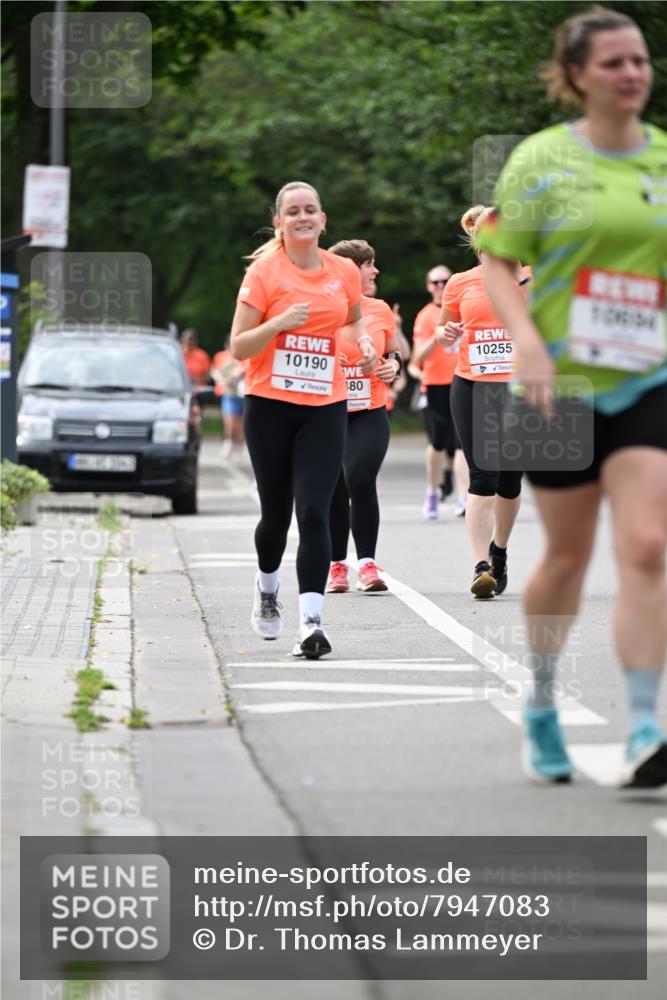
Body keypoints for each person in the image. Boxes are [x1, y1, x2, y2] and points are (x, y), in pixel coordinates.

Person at [478, 6, 667, 787]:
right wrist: (525, 342)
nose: (631, 74)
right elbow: (496, 261)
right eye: (614, 63)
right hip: (558, 385)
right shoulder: (538, 160)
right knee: (564, 556)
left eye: (640, 61)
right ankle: (543, 703)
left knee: (649, 547)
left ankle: (645, 726)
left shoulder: (661, 160)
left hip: (645, 378)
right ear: (577, 74)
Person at [229, 181, 377, 659]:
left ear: (323, 219)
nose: (302, 217)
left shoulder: (343, 272)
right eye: (293, 211)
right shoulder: (264, 274)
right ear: (280, 222)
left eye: (310, 209)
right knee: (276, 515)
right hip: (269, 404)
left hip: (324, 404)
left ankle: (311, 623)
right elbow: (239, 346)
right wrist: (277, 324)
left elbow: (353, 320)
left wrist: (367, 343)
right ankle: (267, 588)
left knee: (314, 510)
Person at [437, 206, 527, 599]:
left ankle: (500, 551)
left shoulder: (530, 278)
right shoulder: (460, 283)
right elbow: (444, 330)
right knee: (483, 475)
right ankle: (480, 567)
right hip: (471, 384)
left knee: (510, 479)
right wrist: (447, 331)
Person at [325, 240, 402, 594]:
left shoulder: (380, 309)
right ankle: (337, 565)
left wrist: (393, 367)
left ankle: (367, 564)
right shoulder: (320, 308)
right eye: (368, 264)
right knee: (335, 489)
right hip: (328, 412)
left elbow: (394, 351)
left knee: (359, 477)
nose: (375, 271)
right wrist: (327, 361)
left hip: (370, 410)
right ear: (349, 269)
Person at [410, 265, 461, 518]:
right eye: (435, 283)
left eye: (445, 281)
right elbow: (417, 357)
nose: (441, 287)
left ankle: (464, 496)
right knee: (437, 442)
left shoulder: (463, 307)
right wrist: (438, 334)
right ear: (429, 287)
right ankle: (432, 492)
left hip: (464, 380)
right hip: (435, 384)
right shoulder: (425, 315)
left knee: (463, 444)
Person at [211, 343, 247, 459]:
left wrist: (236, 375)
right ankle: (229, 443)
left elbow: (244, 370)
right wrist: (220, 379)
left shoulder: (244, 355)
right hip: (228, 393)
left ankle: (238, 446)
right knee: (230, 422)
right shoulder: (220, 356)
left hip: (242, 394)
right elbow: (214, 370)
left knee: (240, 424)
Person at [180, 329, 212, 395]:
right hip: (179, 390)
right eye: (188, 339)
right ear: (182, 340)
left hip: (198, 392)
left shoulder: (202, 355)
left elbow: (208, 377)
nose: (190, 342)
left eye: (192, 339)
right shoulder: (177, 354)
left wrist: (195, 380)